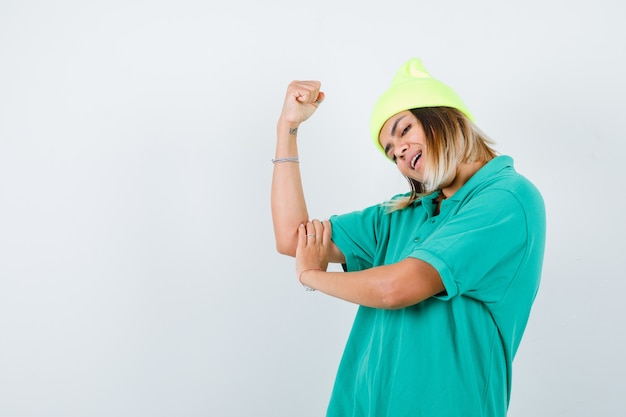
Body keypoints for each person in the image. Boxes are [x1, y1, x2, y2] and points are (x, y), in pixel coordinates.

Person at [271, 57, 546, 417]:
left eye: (403, 131)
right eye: (390, 151)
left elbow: (397, 288)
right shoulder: (402, 213)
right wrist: (287, 129)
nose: (398, 152)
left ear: (445, 117)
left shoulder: (508, 198)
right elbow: (294, 239)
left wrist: (311, 276)